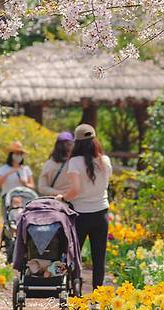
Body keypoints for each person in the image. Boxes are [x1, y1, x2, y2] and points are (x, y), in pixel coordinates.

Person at [56, 124, 112, 289]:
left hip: (80, 215)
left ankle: (75, 292)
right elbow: (105, 185)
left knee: (74, 255)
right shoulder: (105, 160)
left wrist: (62, 197)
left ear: (77, 142)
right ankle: (97, 296)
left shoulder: (74, 162)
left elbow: (75, 191)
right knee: (99, 258)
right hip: (102, 214)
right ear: (95, 140)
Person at [0, 141, 35, 216]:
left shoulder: (26, 169)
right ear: (11, 155)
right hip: (8, 198)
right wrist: (9, 173)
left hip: (23, 199)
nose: (19, 156)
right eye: (16, 153)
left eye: (20, 154)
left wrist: (25, 184)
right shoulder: (4, 168)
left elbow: (32, 186)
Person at [38, 131, 74, 196]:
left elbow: (42, 188)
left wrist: (59, 193)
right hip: (75, 201)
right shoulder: (76, 163)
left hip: (56, 202)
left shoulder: (48, 164)